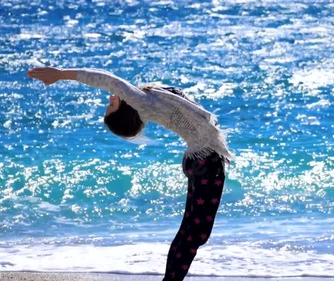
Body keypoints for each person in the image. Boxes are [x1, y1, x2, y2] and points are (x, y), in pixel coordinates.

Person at [27, 67, 232, 281]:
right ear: (124, 111)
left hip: (199, 159)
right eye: (111, 105)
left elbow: (102, 72)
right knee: (194, 235)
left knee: (190, 233)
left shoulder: (143, 100)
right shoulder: (140, 101)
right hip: (205, 162)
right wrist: (60, 74)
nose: (111, 98)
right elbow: (106, 79)